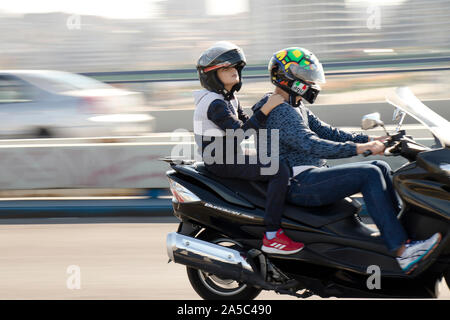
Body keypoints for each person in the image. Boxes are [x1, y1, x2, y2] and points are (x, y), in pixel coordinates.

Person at [251, 47, 441, 273]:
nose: (310, 81)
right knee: (368, 174)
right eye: (304, 75)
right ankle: (402, 251)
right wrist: (360, 148)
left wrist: (372, 139)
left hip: (309, 176)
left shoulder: (294, 104)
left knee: (379, 166)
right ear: (285, 76)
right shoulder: (279, 109)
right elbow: (311, 143)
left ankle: (403, 236)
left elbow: (327, 132)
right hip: (297, 183)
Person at [193, 41, 304, 255]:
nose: (234, 72)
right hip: (221, 161)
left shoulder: (228, 98)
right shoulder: (215, 104)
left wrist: (275, 108)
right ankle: (272, 235)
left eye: (235, 68)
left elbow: (251, 122)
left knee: (277, 158)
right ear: (212, 75)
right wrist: (268, 107)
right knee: (278, 170)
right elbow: (241, 133)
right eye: (227, 69)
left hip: (231, 154)